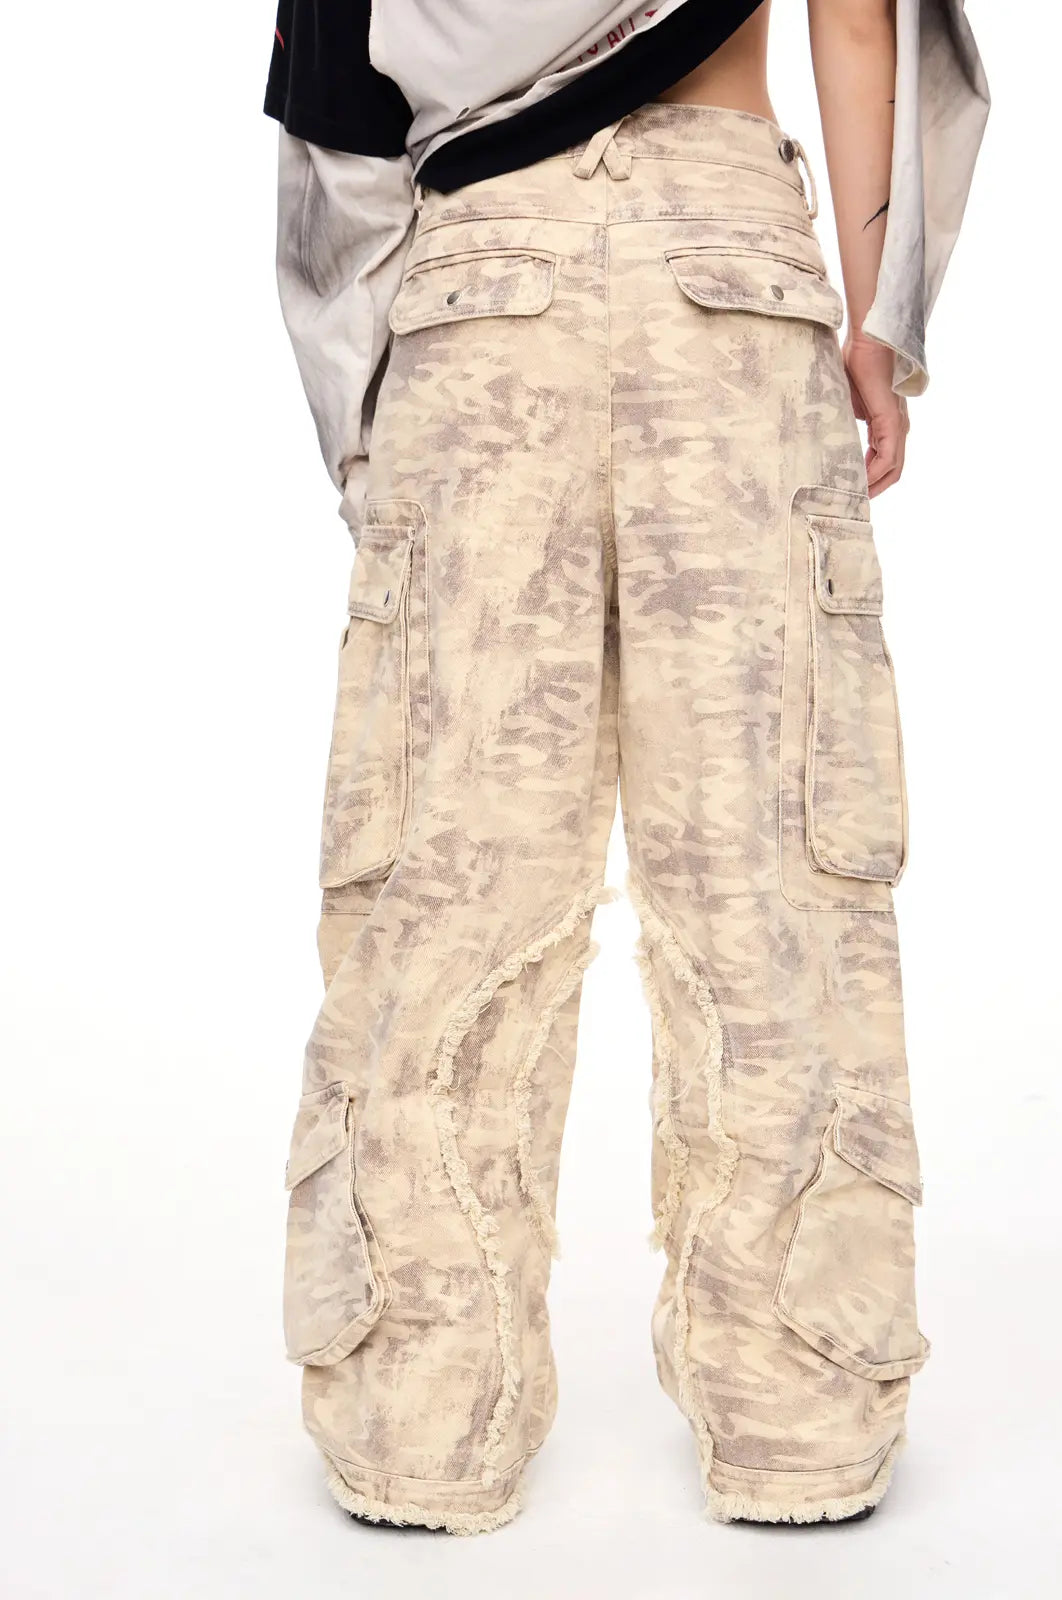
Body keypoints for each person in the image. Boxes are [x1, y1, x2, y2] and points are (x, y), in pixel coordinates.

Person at [267, 0, 988, 1535]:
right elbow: (861, 16)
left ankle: (420, 1418)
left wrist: (368, 427)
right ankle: (798, 1410)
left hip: (478, 274)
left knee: (444, 876)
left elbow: (335, 102)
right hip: (732, 262)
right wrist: (882, 323)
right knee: (770, 863)